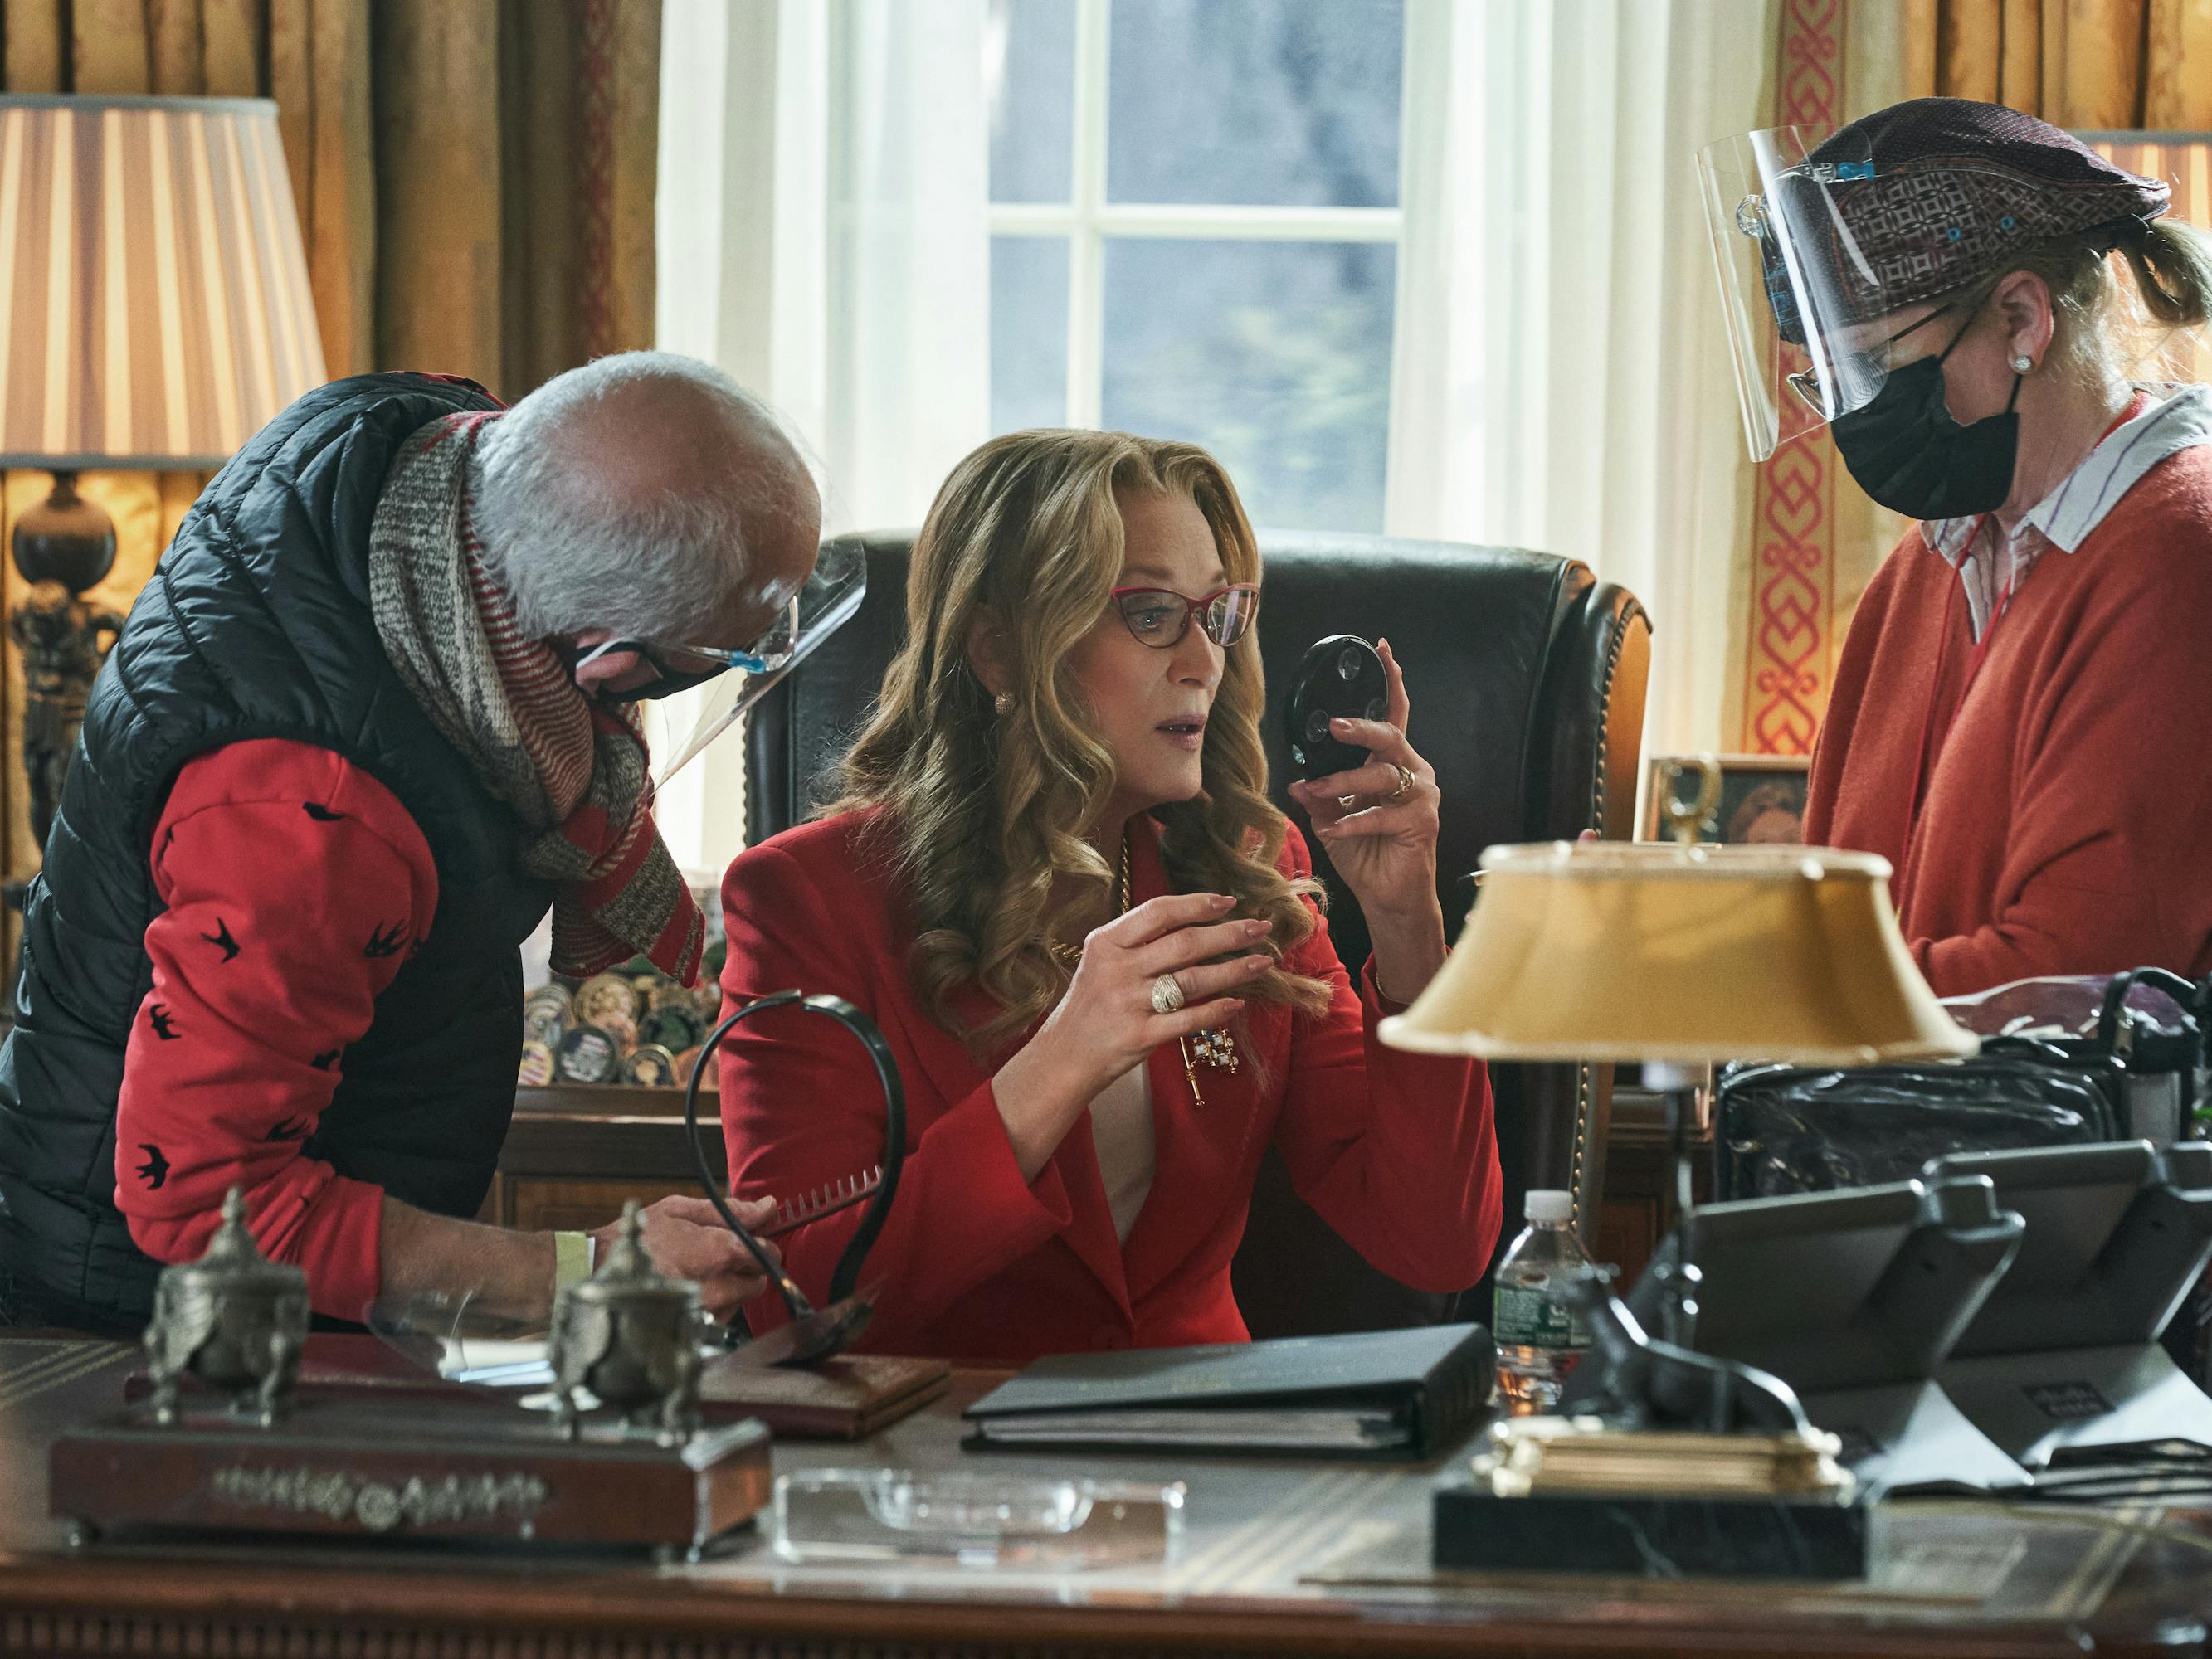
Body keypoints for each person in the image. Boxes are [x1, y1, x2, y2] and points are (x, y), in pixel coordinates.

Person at [0, 353, 830, 1335]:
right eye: (737, 650)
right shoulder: (312, 824)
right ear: (606, 659)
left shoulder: (408, 442)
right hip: (160, 1330)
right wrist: (593, 1264)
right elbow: (209, 1208)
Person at [717, 429, 1503, 1364]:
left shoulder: (1247, 864)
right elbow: (797, 1307)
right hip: (933, 1460)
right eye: (1149, 613)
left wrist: (1409, 925)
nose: (1202, 661)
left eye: (1216, 613)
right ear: (999, 650)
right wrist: (1062, 1059)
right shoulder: (804, 898)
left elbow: (1436, 1242)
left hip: (1198, 1454)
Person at [1708, 98, 2212, 993]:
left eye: (1866, 366)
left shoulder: (2179, 552)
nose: (1850, 413)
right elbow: (1837, 916)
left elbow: (2071, 978)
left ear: (2021, 318)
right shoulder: (1921, 569)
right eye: (1827, 378)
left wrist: (1745, 981)